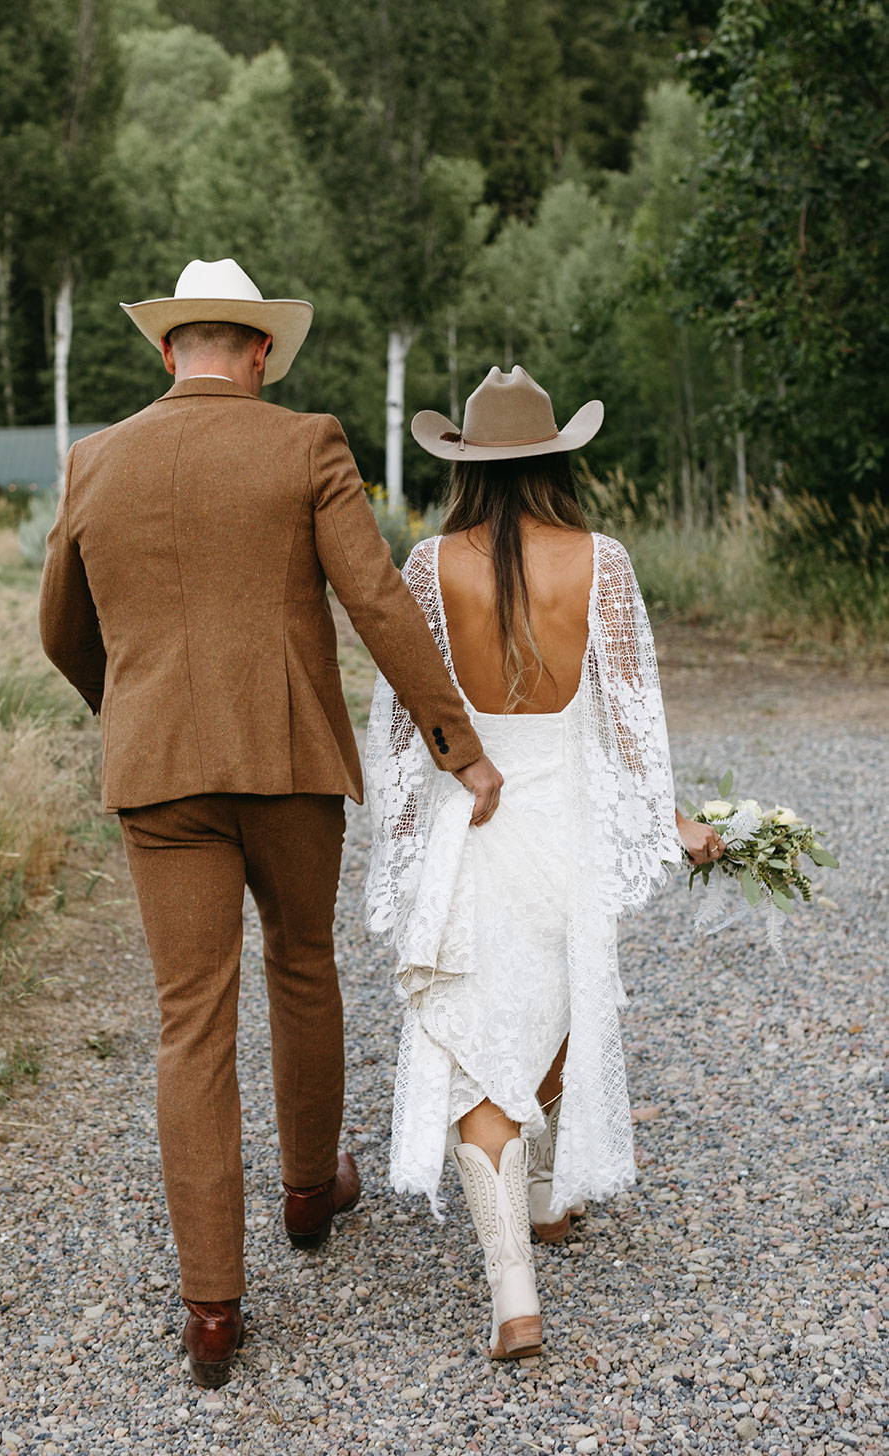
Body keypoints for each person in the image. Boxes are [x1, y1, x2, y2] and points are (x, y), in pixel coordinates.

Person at [37, 258, 504, 1388]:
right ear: (255, 354)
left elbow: (59, 628)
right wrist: (459, 744)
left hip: (160, 776)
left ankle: (210, 1311)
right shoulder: (306, 445)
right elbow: (376, 601)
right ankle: (307, 1191)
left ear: (166, 352)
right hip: (290, 762)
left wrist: (134, 705)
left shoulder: (92, 460)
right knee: (301, 964)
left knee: (188, 1019)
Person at [363, 366, 724, 1362]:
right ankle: (536, 1204)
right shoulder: (599, 561)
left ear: (465, 464)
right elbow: (629, 723)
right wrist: (671, 819)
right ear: (558, 456)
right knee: (556, 999)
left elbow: (403, 726)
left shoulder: (429, 565)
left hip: (471, 817)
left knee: (484, 1042)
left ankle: (514, 1287)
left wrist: (402, 845)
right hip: (562, 821)